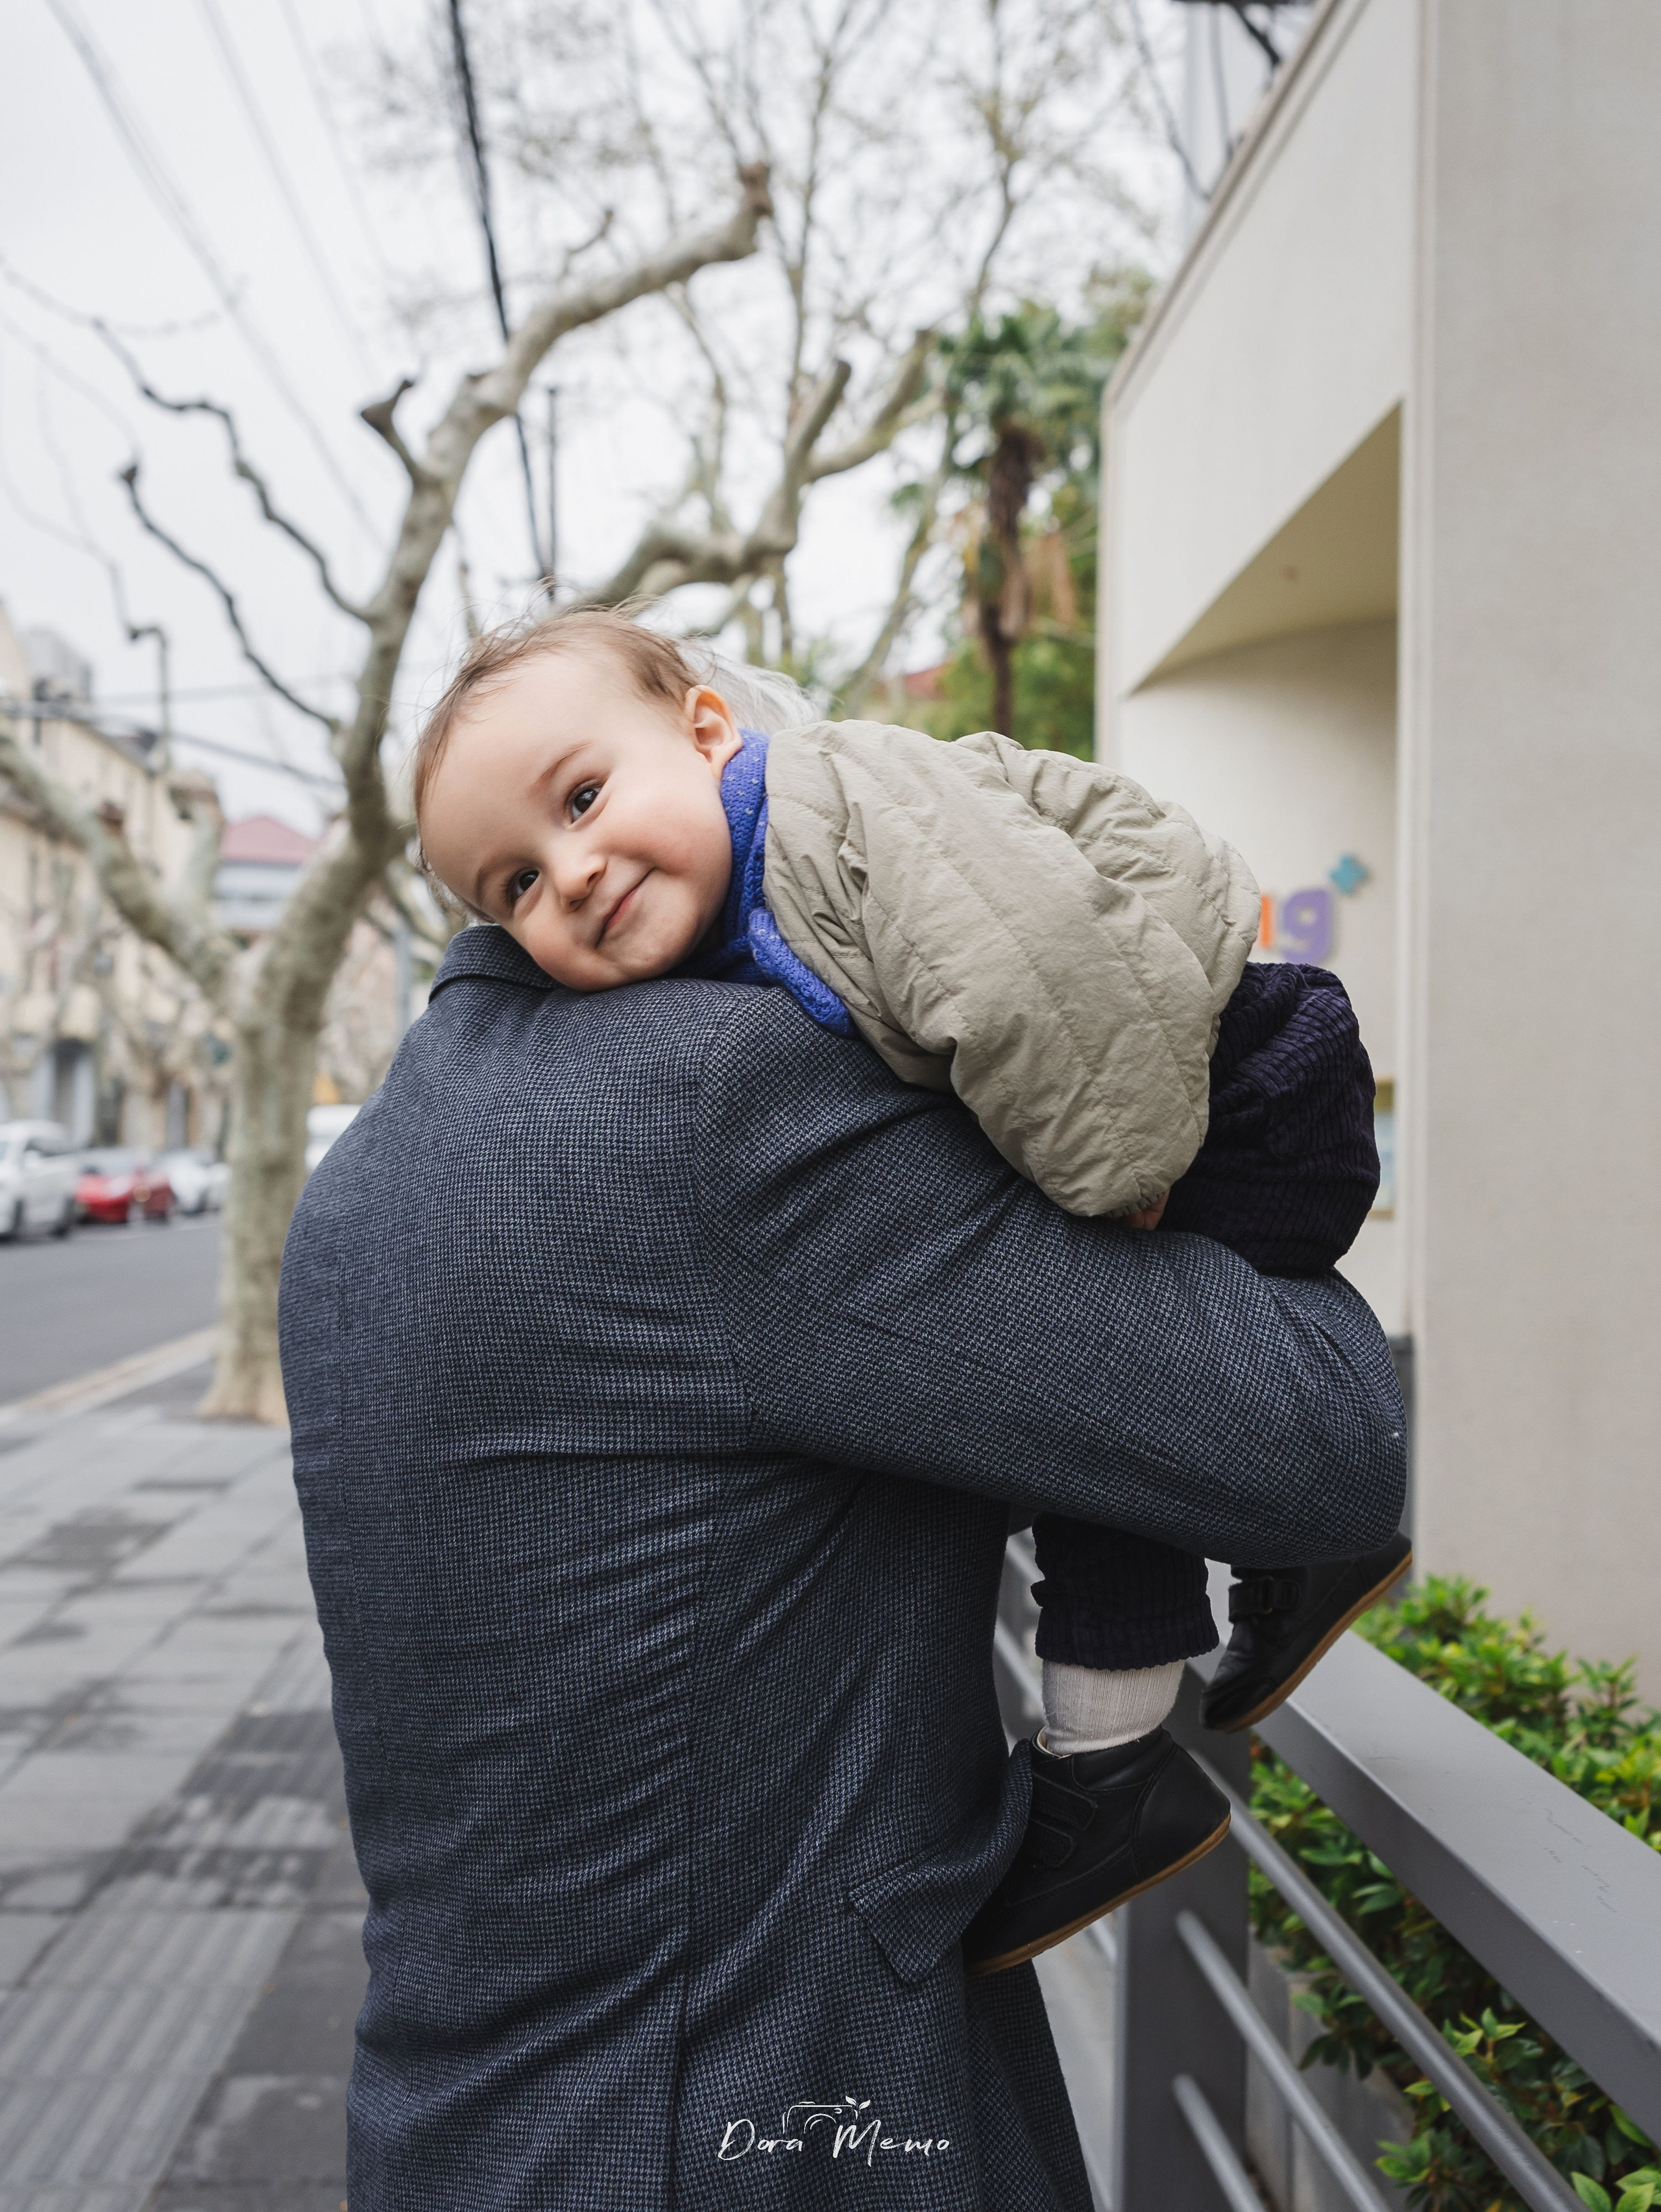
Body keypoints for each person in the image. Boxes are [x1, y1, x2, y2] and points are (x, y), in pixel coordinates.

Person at [408, 608, 1409, 1974]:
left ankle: (1117, 1762)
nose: (570, 874)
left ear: (707, 731)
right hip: (1164, 1095)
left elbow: (1033, 962)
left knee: (1106, 1415)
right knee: (1105, 1414)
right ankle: (1188, 1676)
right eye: (515, 884)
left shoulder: (837, 809)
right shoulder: (738, 915)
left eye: (582, 798)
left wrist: (1114, 1174)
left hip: (1239, 1087)